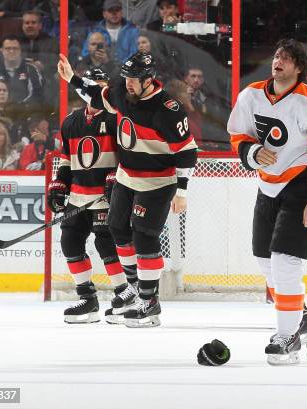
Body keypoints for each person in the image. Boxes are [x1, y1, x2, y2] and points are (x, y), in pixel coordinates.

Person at [58, 50, 197, 328]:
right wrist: (72, 78)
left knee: (144, 237)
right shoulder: (123, 92)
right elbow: (98, 96)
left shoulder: (168, 109)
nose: (128, 83)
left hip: (158, 182)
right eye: (127, 78)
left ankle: (149, 302)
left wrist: (181, 192)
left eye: (134, 79)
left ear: (149, 79)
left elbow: (187, 153)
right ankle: (134, 289)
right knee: (117, 228)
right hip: (126, 177)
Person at [227, 39, 307, 365]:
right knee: (264, 259)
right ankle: (300, 317)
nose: (278, 61)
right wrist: (250, 152)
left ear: (299, 69)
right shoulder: (250, 95)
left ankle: (288, 336)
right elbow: (239, 135)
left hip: (302, 183)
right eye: (277, 55)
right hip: (267, 185)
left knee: (285, 260)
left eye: (287, 59)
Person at [47, 68, 136, 324]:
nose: (96, 92)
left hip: (108, 197)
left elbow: (130, 154)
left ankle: (125, 295)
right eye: (92, 86)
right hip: (78, 196)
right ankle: (88, 299)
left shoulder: (118, 118)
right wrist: (59, 184)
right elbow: (67, 158)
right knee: (70, 242)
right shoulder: (71, 121)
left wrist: (115, 177)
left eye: (101, 86)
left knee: (106, 243)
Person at [0, 35, 44, 109]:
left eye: (15, 48)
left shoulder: (30, 69)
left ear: (20, 50)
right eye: (8, 48)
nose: (12, 51)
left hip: (24, 112)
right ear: (1, 50)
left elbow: (37, 94)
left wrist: (19, 108)